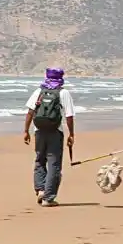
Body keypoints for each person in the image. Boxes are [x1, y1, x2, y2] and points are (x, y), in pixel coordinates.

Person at [22, 67, 76, 207]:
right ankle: (48, 197)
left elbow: (30, 111)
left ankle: (40, 189)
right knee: (54, 164)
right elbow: (69, 116)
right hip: (55, 131)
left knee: (40, 160)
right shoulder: (63, 92)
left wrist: (26, 131)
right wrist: (71, 134)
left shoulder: (39, 91)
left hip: (39, 130)